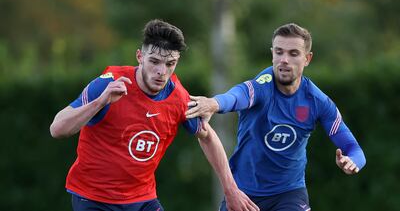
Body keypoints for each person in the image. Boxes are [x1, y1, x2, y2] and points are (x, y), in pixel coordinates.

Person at [50, 19, 259, 211]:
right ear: (139, 57)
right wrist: (100, 102)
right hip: (93, 198)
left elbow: (208, 137)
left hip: (142, 200)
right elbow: (57, 129)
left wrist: (231, 190)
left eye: (170, 64)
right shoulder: (108, 84)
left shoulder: (178, 98)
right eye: (155, 61)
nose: (162, 72)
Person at [185, 23, 366, 211]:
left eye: (293, 53)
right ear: (272, 54)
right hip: (243, 193)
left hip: (289, 193)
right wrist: (213, 103)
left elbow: (353, 149)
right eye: (279, 52)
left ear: (307, 58)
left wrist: (353, 161)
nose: (284, 60)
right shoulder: (261, 86)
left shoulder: (318, 101)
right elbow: (235, 97)